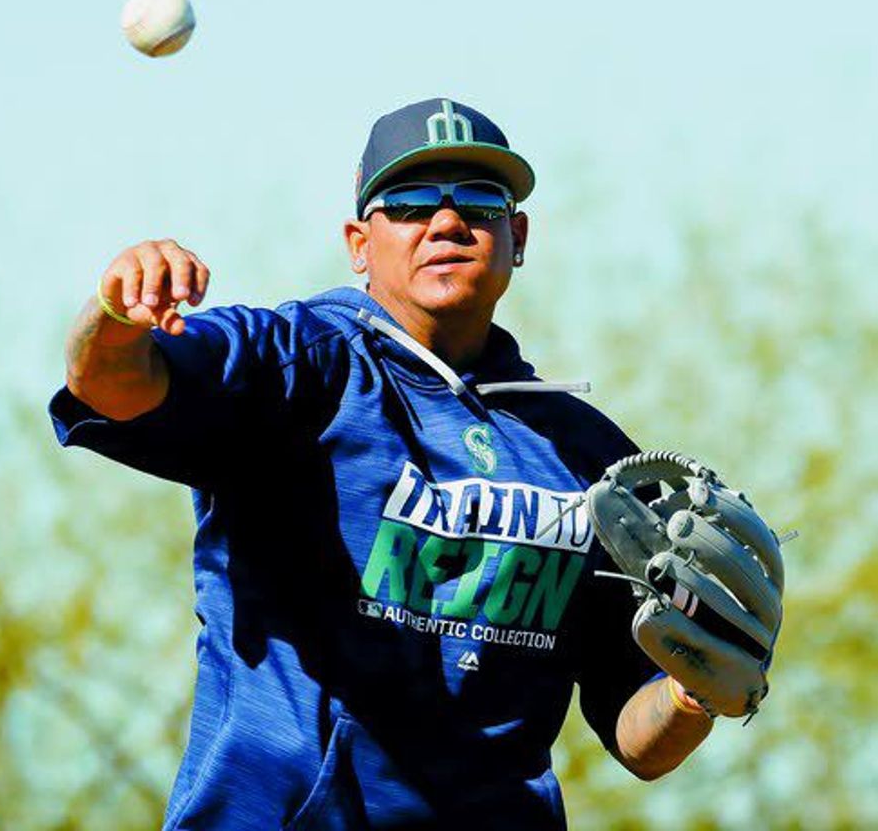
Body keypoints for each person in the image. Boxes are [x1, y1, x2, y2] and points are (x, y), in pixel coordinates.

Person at [50, 98, 714, 831]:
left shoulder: (587, 456)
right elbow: (107, 385)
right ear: (359, 242)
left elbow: (638, 740)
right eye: (409, 201)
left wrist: (697, 688)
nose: (447, 221)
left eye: (480, 201)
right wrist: (116, 311)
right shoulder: (294, 366)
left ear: (515, 235)